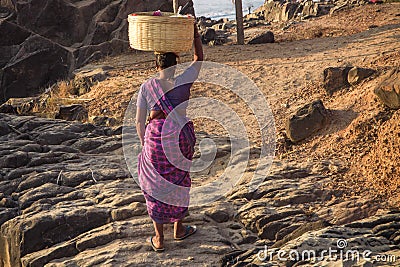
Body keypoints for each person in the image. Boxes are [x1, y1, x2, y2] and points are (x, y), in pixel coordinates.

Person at [135, 24, 203, 252]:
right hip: (180, 139)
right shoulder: (183, 81)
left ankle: (159, 238)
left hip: (155, 139)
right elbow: (199, 57)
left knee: (154, 185)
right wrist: (194, 32)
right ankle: (179, 229)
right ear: (177, 66)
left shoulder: (147, 87)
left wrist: (146, 145)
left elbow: (138, 121)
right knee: (180, 180)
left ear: (156, 65)